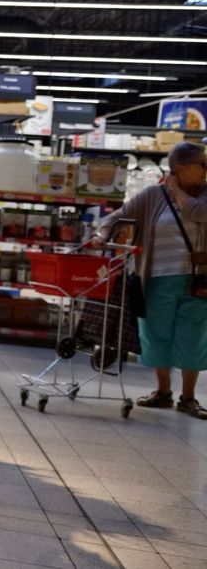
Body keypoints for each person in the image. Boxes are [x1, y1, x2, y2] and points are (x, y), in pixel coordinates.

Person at [96, 141, 207, 419]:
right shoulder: (153, 196)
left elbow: (199, 212)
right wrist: (102, 234)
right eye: (202, 164)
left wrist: (175, 190)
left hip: (199, 280)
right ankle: (163, 392)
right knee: (157, 334)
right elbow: (117, 217)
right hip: (157, 278)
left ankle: (189, 397)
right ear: (182, 167)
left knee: (193, 336)